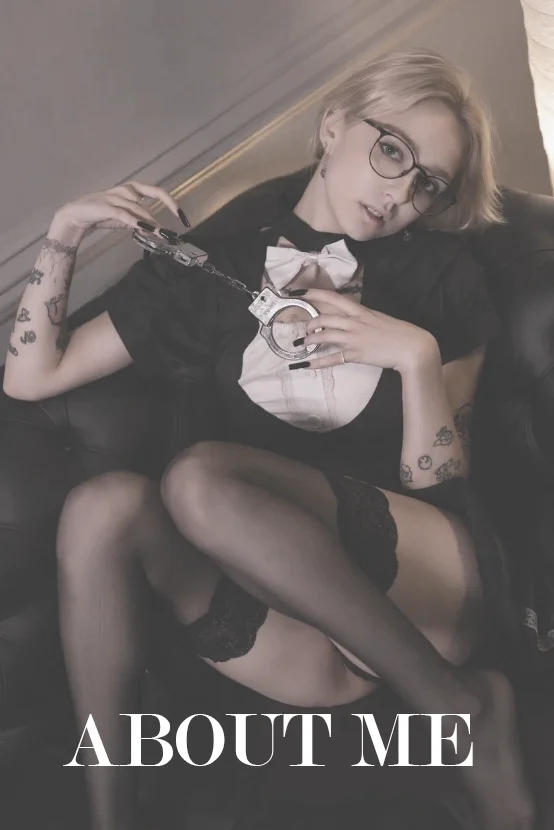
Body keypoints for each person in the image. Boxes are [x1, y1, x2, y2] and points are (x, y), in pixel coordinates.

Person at [3, 48, 535, 830]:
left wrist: (415, 358)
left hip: (427, 596)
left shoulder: (441, 277)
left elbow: (441, 477)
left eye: (428, 183)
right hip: (297, 642)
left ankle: (459, 711)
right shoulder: (214, 271)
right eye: (392, 151)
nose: (400, 193)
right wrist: (65, 233)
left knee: (197, 479)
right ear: (334, 126)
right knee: (101, 509)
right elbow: (31, 378)